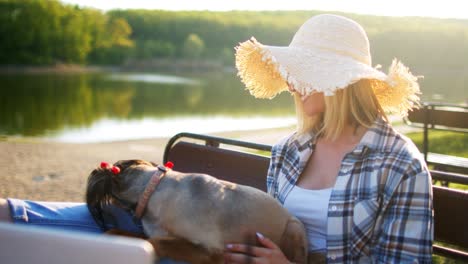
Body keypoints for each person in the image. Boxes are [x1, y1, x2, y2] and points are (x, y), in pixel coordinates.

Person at [1, 14, 432, 264]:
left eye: (305, 72)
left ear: (341, 82)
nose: (291, 81)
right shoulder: (291, 150)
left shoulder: (400, 166)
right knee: (85, 218)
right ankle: (12, 214)